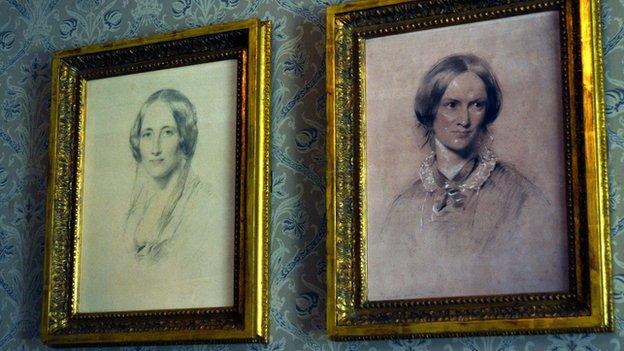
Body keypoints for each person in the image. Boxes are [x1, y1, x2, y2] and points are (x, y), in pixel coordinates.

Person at [367, 54, 568, 301]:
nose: (464, 120)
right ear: (431, 110)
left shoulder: (520, 195)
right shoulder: (405, 205)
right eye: (452, 105)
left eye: (477, 105)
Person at [124, 89, 214, 263]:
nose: (155, 148)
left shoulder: (204, 203)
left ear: (184, 136)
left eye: (167, 132)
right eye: (147, 134)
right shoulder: (137, 207)